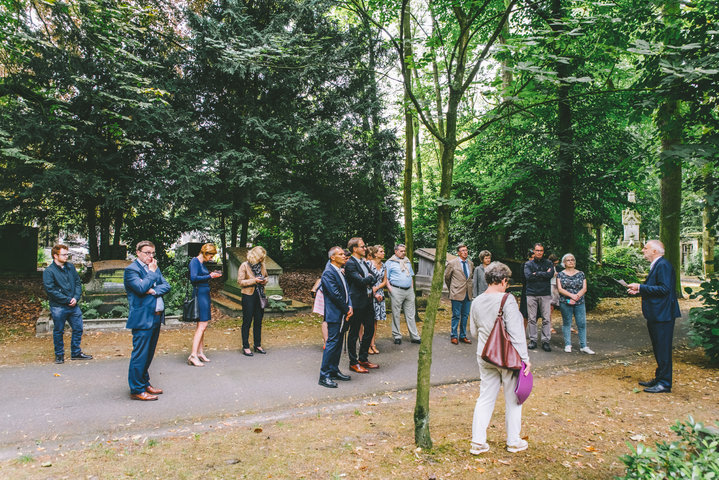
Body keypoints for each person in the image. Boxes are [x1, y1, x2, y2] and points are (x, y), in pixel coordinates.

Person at [469, 261, 531, 454]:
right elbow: (516, 332)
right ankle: (513, 441)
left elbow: (473, 332)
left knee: (485, 397)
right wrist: (525, 358)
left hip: (485, 354)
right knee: (513, 399)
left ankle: (478, 442)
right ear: (504, 280)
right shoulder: (507, 300)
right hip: (507, 357)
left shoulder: (476, 301)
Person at [627, 240, 681, 394]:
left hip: (663, 314)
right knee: (658, 348)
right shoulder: (658, 264)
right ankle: (660, 378)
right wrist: (639, 290)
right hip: (657, 313)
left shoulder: (662, 265)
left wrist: (640, 287)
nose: (643, 250)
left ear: (655, 251)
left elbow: (664, 289)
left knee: (663, 349)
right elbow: (657, 288)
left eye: (646, 248)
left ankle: (664, 383)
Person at [124, 241, 171, 401]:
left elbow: (166, 286)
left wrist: (153, 290)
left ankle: (144, 383)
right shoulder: (132, 270)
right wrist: (151, 275)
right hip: (142, 318)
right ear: (138, 252)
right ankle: (136, 389)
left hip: (156, 316)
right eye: (147, 253)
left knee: (149, 354)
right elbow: (140, 288)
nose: (150, 256)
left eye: (152, 253)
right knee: (140, 354)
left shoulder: (153, 268)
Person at [42, 244, 93, 364]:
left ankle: (76, 353)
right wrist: (67, 300)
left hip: (73, 305)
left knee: (78, 328)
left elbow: (77, 283)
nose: (66, 256)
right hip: (58, 306)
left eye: (67, 254)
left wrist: (75, 298)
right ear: (55, 255)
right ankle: (59, 355)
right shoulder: (49, 271)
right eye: (64, 254)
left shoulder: (70, 267)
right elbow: (50, 290)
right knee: (59, 331)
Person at [318, 246, 353, 388]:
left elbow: (346, 291)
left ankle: (333, 370)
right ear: (332, 257)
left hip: (343, 311)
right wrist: (346, 309)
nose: (344, 256)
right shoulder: (328, 273)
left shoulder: (340, 271)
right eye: (340, 254)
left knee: (338, 343)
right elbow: (334, 295)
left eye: (344, 254)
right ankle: (324, 375)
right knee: (332, 343)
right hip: (335, 313)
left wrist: (349, 306)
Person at [344, 237, 378, 373]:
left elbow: (374, 277)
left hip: (368, 300)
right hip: (357, 302)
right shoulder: (350, 264)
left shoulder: (364, 262)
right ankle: (353, 362)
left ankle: (363, 358)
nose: (365, 249)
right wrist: (368, 278)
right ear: (355, 249)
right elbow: (361, 282)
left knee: (369, 330)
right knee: (354, 333)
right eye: (362, 246)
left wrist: (368, 278)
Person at [187, 243, 223, 367]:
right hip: (199, 295)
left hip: (204, 294)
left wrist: (210, 275)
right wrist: (210, 275)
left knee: (202, 325)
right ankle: (193, 355)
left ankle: (200, 352)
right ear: (205, 253)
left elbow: (200, 276)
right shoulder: (195, 261)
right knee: (202, 325)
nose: (211, 258)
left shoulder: (201, 263)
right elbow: (193, 278)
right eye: (211, 255)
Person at [556, 253, 594, 355]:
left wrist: (576, 297)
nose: (571, 261)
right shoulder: (560, 274)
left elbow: (584, 288)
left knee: (581, 323)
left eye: (572, 260)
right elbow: (560, 289)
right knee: (567, 323)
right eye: (568, 260)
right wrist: (571, 296)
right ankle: (568, 344)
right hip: (566, 301)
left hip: (579, 302)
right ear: (564, 263)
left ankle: (584, 346)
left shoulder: (581, 273)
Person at [385, 244, 421, 345]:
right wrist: (390, 289)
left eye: (404, 251)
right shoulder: (390, 262)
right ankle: (397, 335)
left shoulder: (407, 261)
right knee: (396, 314)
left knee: (410, 314)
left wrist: (412, 288)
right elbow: (385, 278)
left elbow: (411, 275)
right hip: (396, 290)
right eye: (401, 251)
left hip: (409, 290)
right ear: (395, 251)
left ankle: (414, 336)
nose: (403, 253)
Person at [237, 246, 269, 357]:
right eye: (260, 257)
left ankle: (257, 345)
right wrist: (254, 281)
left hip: (260, 295)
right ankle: (245, 346)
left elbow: (266, 277)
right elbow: (240, 282)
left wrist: (264, 281)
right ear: (254, 255)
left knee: (258, 320)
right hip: (248, 295)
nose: (261, 260)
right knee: (247, 321)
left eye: (262, 258)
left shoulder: (262, 265)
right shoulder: (244, 265)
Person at [524, 243, 555, 352]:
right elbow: (528, 276)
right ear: (534, 251)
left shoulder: (548, 263)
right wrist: (543, 274)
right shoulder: (528, 264)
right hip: (531, 294)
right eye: (537, 250)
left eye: (541, 250)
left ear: (543, 251)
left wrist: (536, 273)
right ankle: (533, 340)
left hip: (545, 294)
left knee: (546, 319)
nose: (539, 252)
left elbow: (550, 275)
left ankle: (545, 341)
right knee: (532, 318)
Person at [445, 243, 474, 344]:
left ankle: (463, 335)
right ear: (458, 253)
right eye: (463, 251)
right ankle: (454, 335)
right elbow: (447, 278)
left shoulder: (470, 263)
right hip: (456, 293)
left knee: (465, 315)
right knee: (456, 315)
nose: (465, 252)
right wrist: (452, 289)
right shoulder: (452, 263)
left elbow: (470, 278)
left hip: (468, 293)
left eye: (466, 250)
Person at [366, 245, 388, 354]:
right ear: (375, 254)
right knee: (368, 320)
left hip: (379, 293)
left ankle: (373, 344)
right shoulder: (368, 264)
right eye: (381, 251)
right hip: (370, 293)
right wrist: (373, 290)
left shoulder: (384, 266)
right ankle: (366, 344)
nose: (383, 253)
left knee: (375, 321)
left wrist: (378, 288)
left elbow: (384, 281)